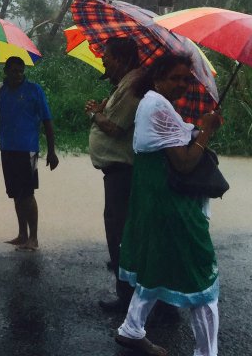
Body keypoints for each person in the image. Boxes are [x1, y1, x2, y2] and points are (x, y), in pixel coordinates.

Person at [114, 54, 224, 356]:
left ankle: (131, 329)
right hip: (172, 205)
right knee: (201, 280)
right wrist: (207, 131)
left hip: (154, 201)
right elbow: (185, 162)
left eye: (186, 79)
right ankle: (207, 352)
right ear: (158, 78)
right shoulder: (159, 107)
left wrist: (199, 128)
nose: (182, 84)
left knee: (157, 265)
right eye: (175, 77)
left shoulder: (152, 102)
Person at [83, 36, 144, 313]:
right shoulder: (126, 83)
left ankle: (128, 298)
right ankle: (130, 294)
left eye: (106, 56)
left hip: (123, 173)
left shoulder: (133, 85)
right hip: (117, 172)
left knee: (119, 232)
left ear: (122, 58)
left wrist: (96, 115)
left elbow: (116, 128)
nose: (103, 59)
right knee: (120, 229)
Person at [0, 55, 58, 251]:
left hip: (29, 150)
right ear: (6, 72)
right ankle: (22, 234)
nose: (18, 75)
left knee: (28, 193)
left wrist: (52, 151)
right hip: (7, 148)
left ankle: (33, 237)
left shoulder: (35, 90)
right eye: (13, 71)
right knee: (16, 194)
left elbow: (47, 121)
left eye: (20, 71)